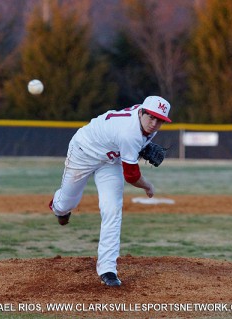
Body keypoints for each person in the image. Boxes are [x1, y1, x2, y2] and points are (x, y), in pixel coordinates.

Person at [49, 96, 172, 287]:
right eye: (151, 117)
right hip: (84, 152)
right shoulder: (129, 133)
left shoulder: (147, 126)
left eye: (160, 120)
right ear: (141, 112)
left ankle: (108, 269)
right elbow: (131, 176)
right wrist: (148, 186)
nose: (154, 123)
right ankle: (59, 208)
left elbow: (133, 146)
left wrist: (141, 147)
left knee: (112, 209)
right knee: (67, 202)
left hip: (110, 161)